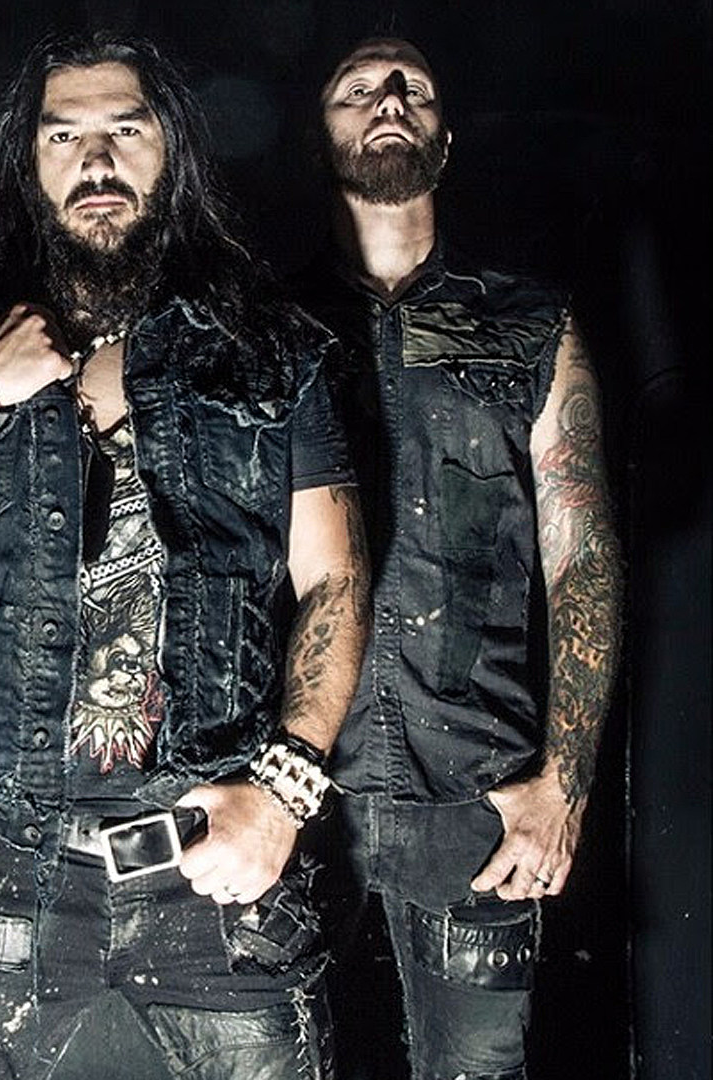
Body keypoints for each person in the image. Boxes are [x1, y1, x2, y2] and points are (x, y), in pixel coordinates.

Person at [0, 31, 370, 1080]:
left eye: (127, 129)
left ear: (174, 151)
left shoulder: (269, 351)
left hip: (215, 849)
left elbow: (333, 578)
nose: (98, 159)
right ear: (26, 163)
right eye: (63, 135)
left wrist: (284, 794)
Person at [297, 37, 623, 1080]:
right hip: (300, 799)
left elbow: (581, 557)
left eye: (415, 89)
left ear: (445, 138)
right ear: (322, 133)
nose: (389, 100)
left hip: (480, 801)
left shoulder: (527, 323)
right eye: (358, 89)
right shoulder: (269, 323)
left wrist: (563, 784)